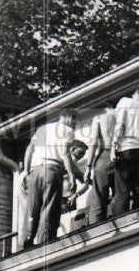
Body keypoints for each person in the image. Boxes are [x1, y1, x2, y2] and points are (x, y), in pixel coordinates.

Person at [19, 111, 79, 246]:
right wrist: (71, 175)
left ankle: (26, 241)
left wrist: (26, 172)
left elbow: (29, 150)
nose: (75, 124)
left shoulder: (43, 129)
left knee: (33, 207)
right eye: (75, 120)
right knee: (49, 207)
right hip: (51, 170)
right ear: (68, 117)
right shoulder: (67, 130)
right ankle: (44, 243)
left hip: (36, 171)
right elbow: (64, 153)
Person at [109, 86, 139, 216]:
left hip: (126, 149)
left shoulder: (126, 102)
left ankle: (121, 219)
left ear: (135, 94)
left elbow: (120, 125)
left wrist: (113, 147)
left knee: (122, 189)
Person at [83, 101, 117, 225]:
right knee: (118, 195)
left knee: (98, 198)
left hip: (104, 155)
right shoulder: (124, 118)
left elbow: (93, 143)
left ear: (107, 107)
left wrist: (88, 166)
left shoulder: (99, 118)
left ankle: (96, 230)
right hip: (120, 155)